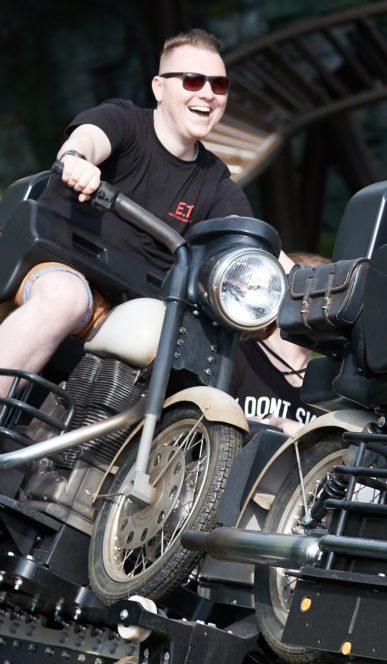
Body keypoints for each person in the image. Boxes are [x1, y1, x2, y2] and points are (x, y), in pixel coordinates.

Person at [0, 28, 255, 399]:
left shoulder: (215, 180)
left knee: (206, 356)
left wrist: (301, 281)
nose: (207, 93)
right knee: (66, 297)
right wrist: (77, 160)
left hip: (125, 304)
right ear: (159, 87)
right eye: (192, 80)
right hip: (55, 266)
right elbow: (86, 139)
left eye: (219, 85)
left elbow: (248, 242)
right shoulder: (124, 121)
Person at [230, 252, 329, 436]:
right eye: (314, 297)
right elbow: (205, 419)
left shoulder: (326, 389)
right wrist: (270, 422)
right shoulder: (238, 353)